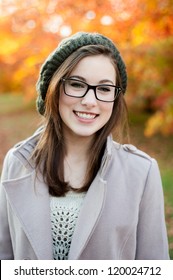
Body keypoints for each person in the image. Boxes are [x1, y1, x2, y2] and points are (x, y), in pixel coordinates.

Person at [0, 32, 170, 260]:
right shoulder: (18, 162)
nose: (90, 101)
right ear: (54, 89)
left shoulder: (142, 172)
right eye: (77, 84)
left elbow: (153, 267)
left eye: (104, 89)